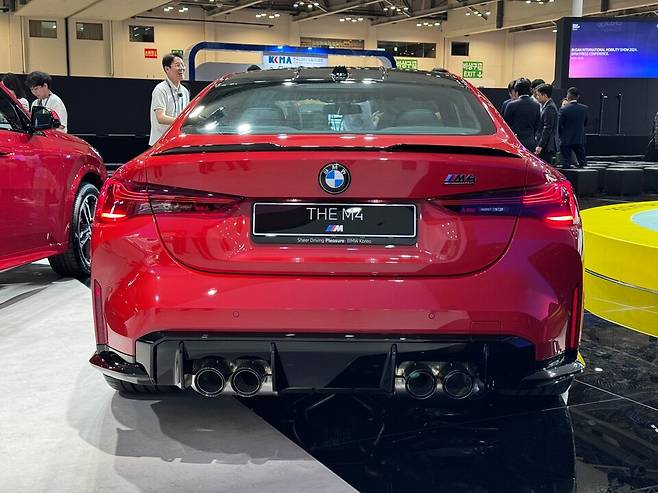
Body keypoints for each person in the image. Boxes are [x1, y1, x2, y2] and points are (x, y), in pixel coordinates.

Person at [149, 53, 190, 146]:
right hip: (161, 143)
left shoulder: (184, 91)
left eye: (183, 65)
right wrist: (182, 121)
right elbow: (160, 118)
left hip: (177, 141)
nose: (182, 68)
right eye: (178, 65)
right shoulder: (160, 89)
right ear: (167, 69)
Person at [503, 78, 540, 151]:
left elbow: (506, 125)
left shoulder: (511, 105)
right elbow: (537, 125)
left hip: (515, 141)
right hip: (530, 142)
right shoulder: (536, 105)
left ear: (516, 91)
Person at [558, 87, 589, 168]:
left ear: (567, 96)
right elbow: (585, 123)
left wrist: (561, 135)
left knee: (566, 164)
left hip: (565, 139)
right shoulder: (584, 109)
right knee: (583, 163)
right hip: (579, 138)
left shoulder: (563, 109)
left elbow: (559, 125)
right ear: (578, 96)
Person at [534, 83, 559, 164]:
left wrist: (540, 145)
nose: (536, 97)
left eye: (538, 95)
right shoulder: (546, 106)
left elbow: (547, 128)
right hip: (546, 145)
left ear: (544, 95)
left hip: (547, 146)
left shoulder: (549, 107)